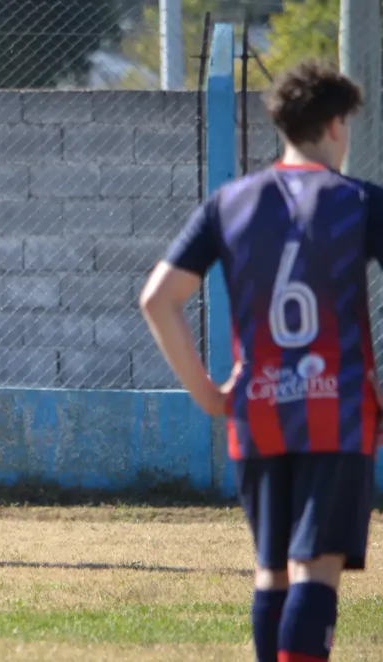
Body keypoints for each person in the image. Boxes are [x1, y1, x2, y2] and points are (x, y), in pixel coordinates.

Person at [139, 61, 379, 662]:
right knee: (316, 571)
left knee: (273, 570)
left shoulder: (231, 202)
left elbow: (157, 299)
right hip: (339, 410)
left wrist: (206, 394)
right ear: (333, 125)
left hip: (259, 408)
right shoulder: (360, 202)